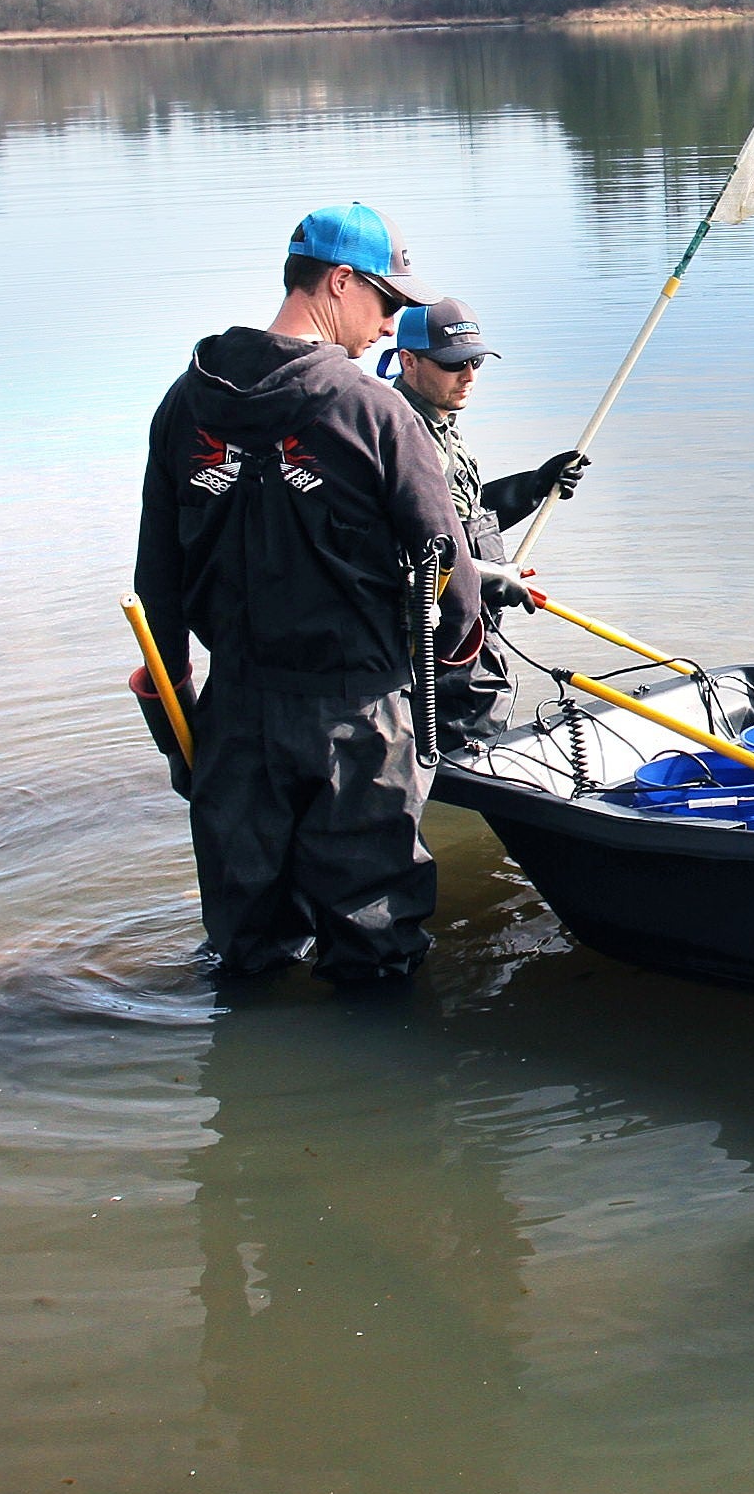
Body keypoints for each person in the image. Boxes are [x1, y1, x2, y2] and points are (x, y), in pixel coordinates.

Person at [133, 203, 507, 986]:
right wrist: (448, 685)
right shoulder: (374, 411)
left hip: (234, 720)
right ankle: (373, 1095)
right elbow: (449, 574)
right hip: (360, 723)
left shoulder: (183, 403)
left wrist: (178, 732)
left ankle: (252, 1090)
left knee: (248, 956)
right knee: (375, 955)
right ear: (339, 282)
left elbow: (155, 586)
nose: (388, 322)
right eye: (386, 300)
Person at [370, 294, 590, 742]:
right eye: (454, 364)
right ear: (408, 361)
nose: (469, 376)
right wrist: (491, 576)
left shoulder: (440, 422)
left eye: (476, 362)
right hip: (441, 647)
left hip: (474, 622)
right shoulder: (403, 437)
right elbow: (408, 557)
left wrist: (531, 488)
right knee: (471, 733)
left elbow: (459, 518)